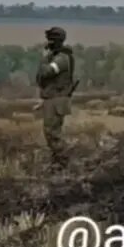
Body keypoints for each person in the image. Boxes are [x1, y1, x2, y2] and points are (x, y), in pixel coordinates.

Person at [35, 26, 76, 168]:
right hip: (53, 99)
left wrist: (44, 58)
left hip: (57, 101)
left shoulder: (61, 59)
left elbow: (46, 73)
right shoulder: (58, 57)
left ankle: (64, 162)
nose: (48, 44)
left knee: (52, 133)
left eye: (50, 41)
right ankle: (58, 161)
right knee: (50, 132)